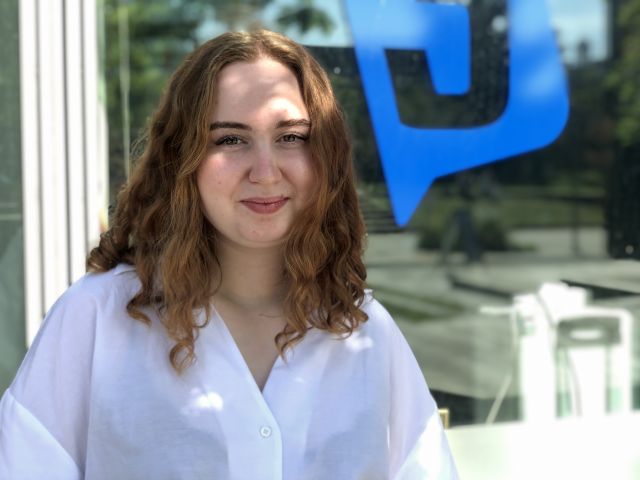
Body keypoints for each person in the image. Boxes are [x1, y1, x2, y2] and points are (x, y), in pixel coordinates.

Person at [0, 30, 458, 479]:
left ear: (326, 156)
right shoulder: (96, 319)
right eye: (230, 140)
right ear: (184, 160)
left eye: (292, 136)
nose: (265, 171)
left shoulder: (365, 331)